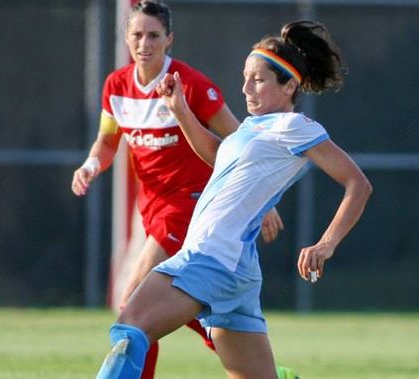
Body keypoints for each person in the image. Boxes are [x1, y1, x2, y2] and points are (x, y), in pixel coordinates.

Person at [95, 19, 372, 379]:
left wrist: (326, 243)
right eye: (245, 77)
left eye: (257, 79)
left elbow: (357, 184)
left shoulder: (293, 126)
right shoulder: (252, 127)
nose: (245, 88)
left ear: (289, 86)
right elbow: (216, 153)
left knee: (130, 330)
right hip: (236, 269)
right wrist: (180, 109)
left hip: (211, 257)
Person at [71, 1, 285, 377]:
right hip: (153, 210)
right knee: (184, 309)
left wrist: (261, 200)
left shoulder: (191, 84)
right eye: (137, 35)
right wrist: (90, 165)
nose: (144, 43)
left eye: (154, 35)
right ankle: (260, 369)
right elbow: (107, 143)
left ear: (169, 39)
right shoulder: (116, 86)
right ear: (126, 38)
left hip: (192, 207)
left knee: (134, 303)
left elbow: (238, 139)